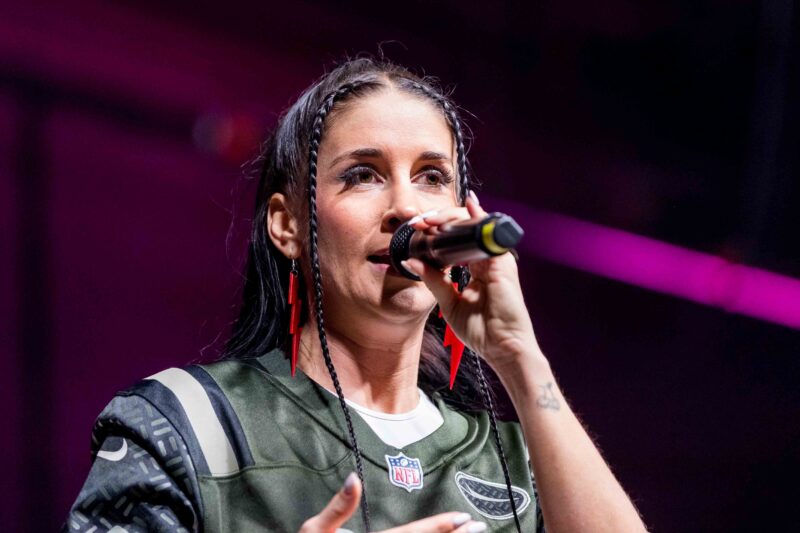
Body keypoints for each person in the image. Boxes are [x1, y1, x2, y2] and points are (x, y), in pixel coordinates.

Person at [64, 57, 646, 533]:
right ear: (288, 225)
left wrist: (519, 358)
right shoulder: (186, 422)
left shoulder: (523, 458)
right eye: (363, 174)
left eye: (432, 177)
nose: (406, 208)